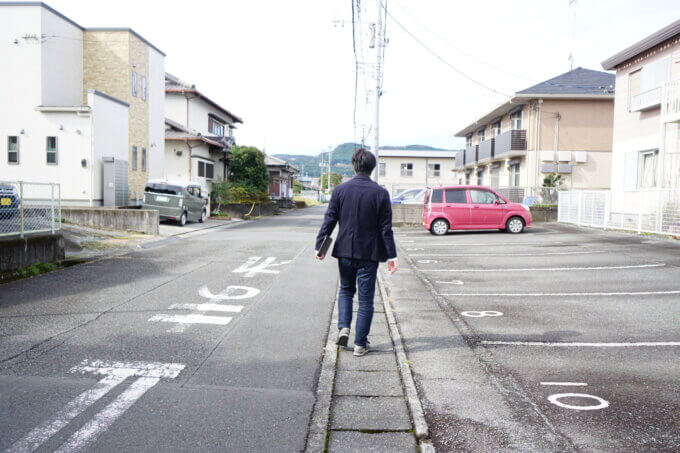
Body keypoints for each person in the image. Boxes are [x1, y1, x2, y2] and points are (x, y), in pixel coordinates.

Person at [315, 148, 397, 356]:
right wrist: (391, 256)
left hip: (344, 251)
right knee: (366, 300)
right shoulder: (381, 193)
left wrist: (320, 247)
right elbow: (385, 228)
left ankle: (344, 327)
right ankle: (360, 344)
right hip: (369, 254)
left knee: (345, 290)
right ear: (372, 167)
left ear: (354, 165)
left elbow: (330, 220)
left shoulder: (341, 190)